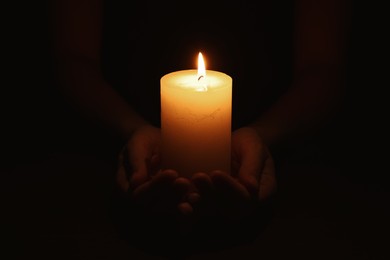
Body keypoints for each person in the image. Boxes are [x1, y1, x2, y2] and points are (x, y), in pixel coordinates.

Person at [51, 0, 350, 254]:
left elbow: (322, 69)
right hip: (97, 172)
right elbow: (72, 59)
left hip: (293, 181)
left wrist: (264, 136)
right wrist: (131, 130)